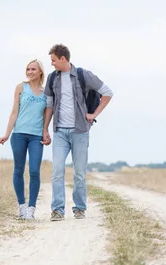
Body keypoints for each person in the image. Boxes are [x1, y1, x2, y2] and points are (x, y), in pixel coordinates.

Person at [42, 44, 113, 221]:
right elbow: (49, 105)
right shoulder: (52, 79)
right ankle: (57, 210)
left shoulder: (83, 75)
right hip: (59, 132)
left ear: (63, 59)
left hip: (80, 131)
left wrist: (94, 114)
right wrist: (45, 129)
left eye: (53, 60)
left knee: (79, 172)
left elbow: (107, 92)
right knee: (57, 171)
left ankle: (79, 208)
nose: (51, 64)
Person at [0, 59, 51, 220]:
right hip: (19, 134)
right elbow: (14, 112)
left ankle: (31, 208)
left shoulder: (46, 92)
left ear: (40, 71)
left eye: (33, 69)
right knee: (18, 170)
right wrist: (7, 134)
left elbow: (47, 115)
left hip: (36, 136)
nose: (30, 72)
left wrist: (45, 132)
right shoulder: (21, 87)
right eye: (28, 69)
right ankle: (21, 206)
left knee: (34, 171)